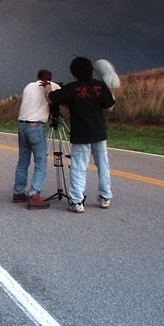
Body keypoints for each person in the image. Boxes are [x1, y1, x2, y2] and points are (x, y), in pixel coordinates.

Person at [48, 56, 116, 213]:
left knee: (78, 167)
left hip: (81, 133)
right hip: (99, 131)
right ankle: (105, 197)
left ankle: (77, 201)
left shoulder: (71, 88)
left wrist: (50, 88)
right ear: (91, 70)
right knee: (103, 165)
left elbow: (52, 98)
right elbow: (109, 105)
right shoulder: (100, 86)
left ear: (73, 72)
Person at [12, 69, 61, 209]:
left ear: (37, 77)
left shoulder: (28, 86)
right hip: (36, 126)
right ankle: (34, 195)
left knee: (23, 161)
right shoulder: (52, 86)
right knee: (40, 162)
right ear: (50, 79)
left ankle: (18, 192)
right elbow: (59, 96)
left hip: (22, 125)